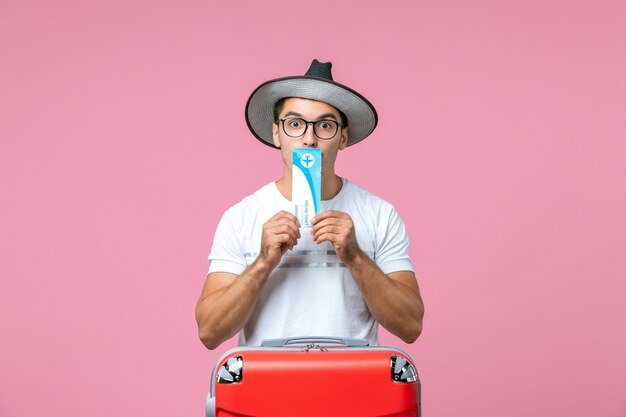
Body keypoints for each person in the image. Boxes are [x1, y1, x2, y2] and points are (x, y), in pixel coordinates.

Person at [195, 59, 424, 349]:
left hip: (353, 387)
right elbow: (209, 332)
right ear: (277, 134)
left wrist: (355, 256)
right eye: (295, 124)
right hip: (267, 388)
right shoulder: (241, 217)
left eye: (325, 125)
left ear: (343, 137)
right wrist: (263, 262)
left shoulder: (380, 215)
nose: (309, 139)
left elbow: (411, 326)